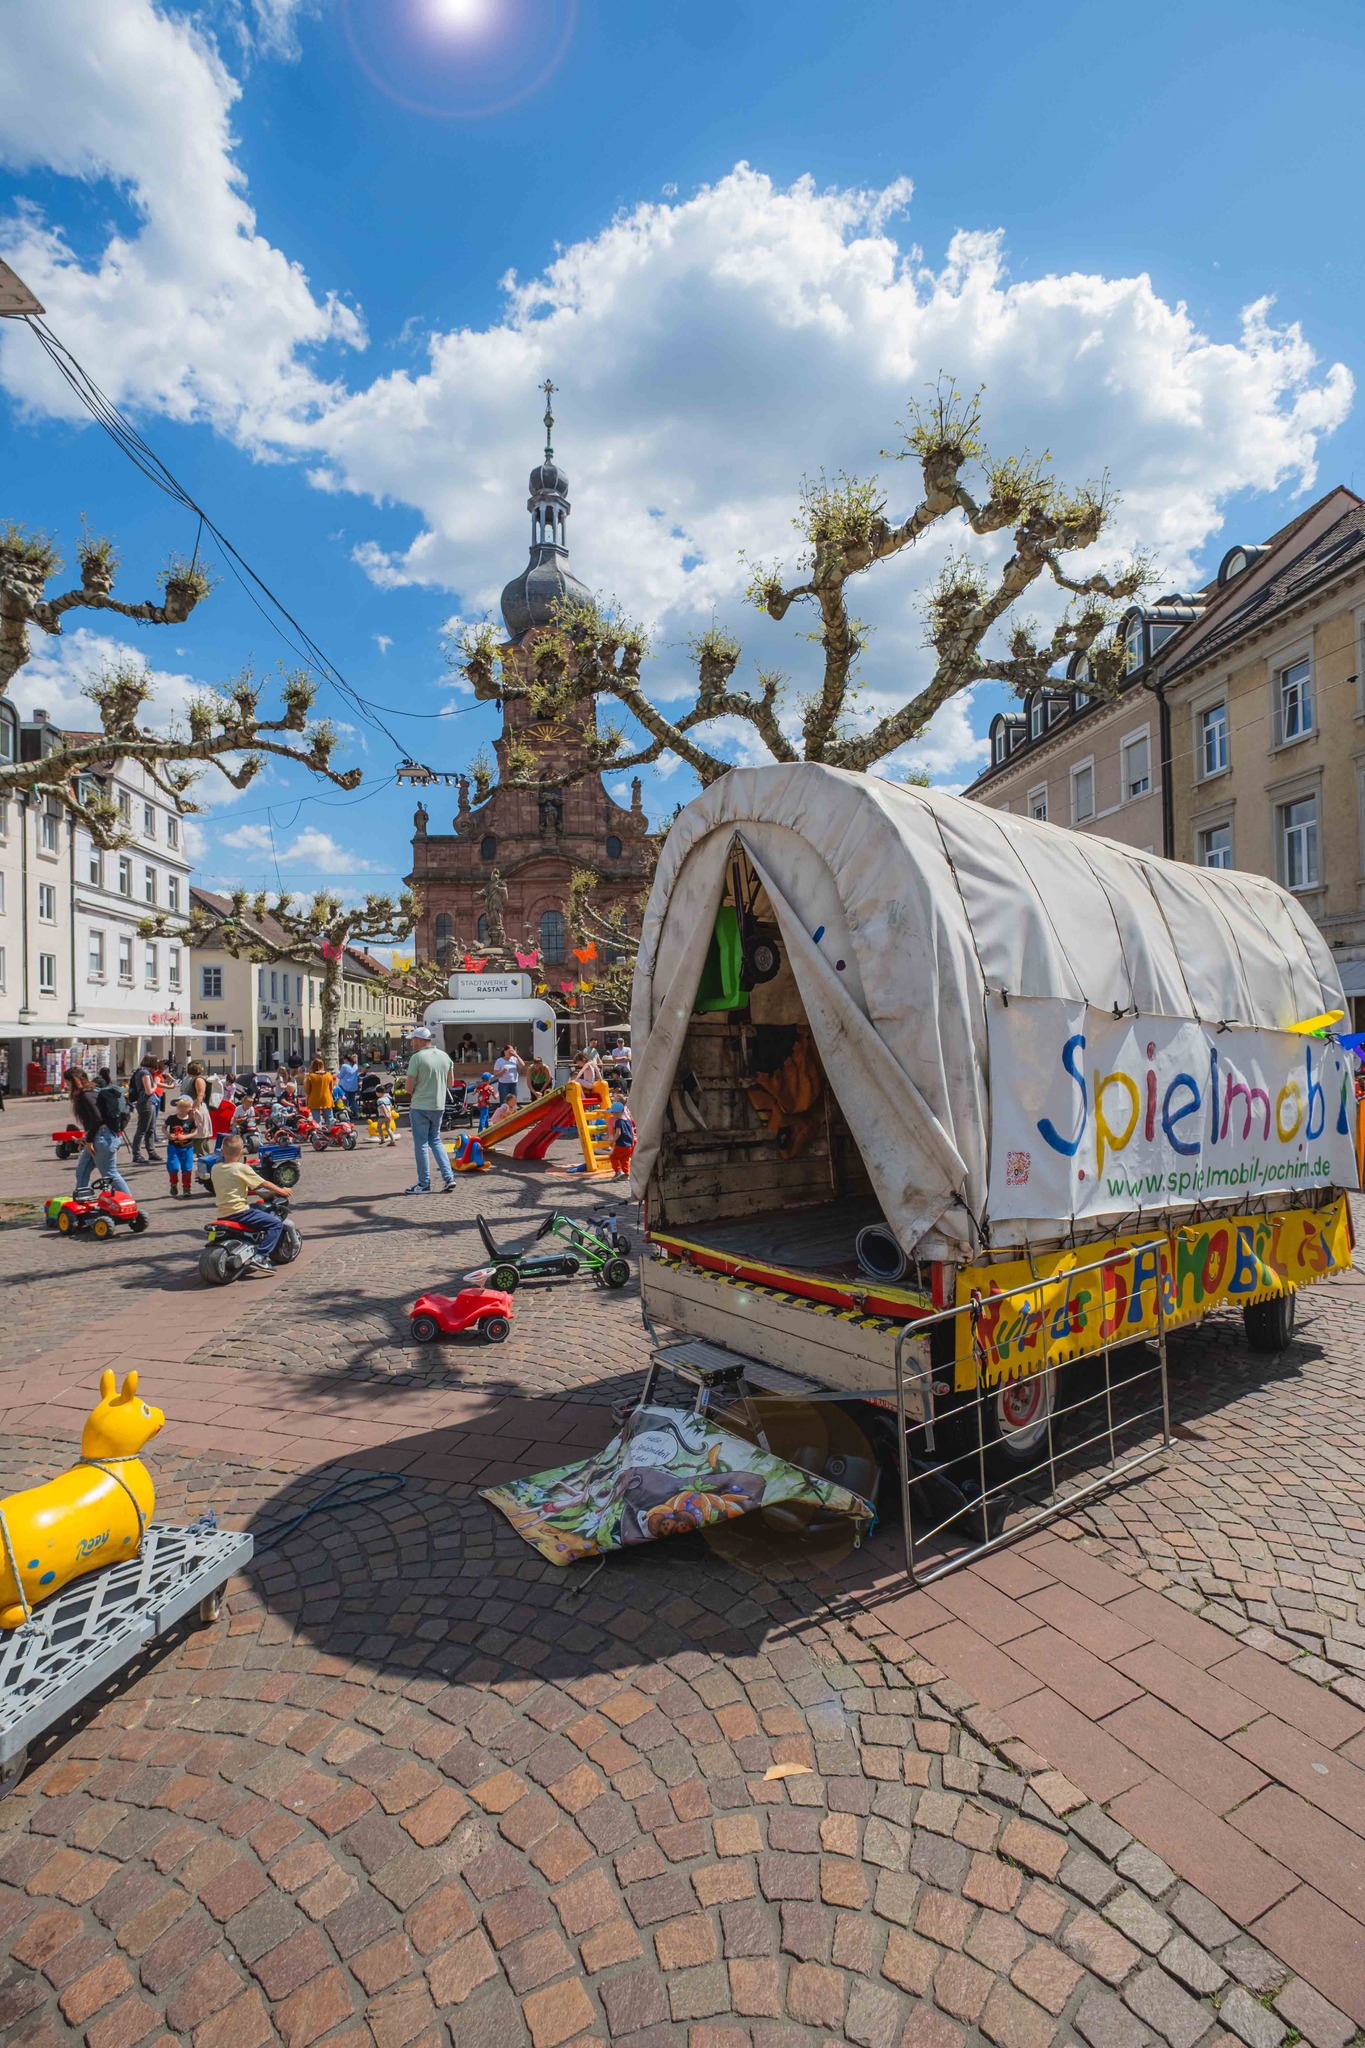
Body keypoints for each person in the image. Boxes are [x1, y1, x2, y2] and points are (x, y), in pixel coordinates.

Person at [210, 1133, 289, 1271]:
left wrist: (249, 1191)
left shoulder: (215, 1168)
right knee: (275, 1224)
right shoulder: (241, 1168)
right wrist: (282, 1191)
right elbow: (263, 1183)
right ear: (242, 1151)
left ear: (222, 1151)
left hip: (222, 1213)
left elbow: (230, 1185)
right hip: (240, 1212)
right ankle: (261, 1257)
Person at [404, 1025, 457, 1193]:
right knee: (436, 1140)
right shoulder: (445, 1057)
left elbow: (408, 1087)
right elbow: (451, 1083)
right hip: (438, 1105)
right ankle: (449, 1177)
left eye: (413, 1040)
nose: (411, 1043)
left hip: (420, 1105)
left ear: (419, 1040)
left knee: (421, 1144)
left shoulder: (417, 1058)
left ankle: (424, 1183)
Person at [66, 1065, 132, 1196]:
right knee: (82, 1171)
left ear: (74, 1081)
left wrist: (89, 1140)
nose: (66, 1085)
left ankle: (128, 1204)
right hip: (99, 1136)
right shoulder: (92, 1091)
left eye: (67, 1082)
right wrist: (87, 1138)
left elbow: (97, 1119)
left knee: (110, 1173)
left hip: (102, 1138)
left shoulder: (86, 1094)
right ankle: (83, 1202)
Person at [129, 1054, 161, 1163]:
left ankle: (151, 1152)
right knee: (143, 1129)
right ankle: (137, 1154)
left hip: (146, 1102)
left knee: (150, 1128)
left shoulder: (139, 1071)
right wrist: (156, 1085)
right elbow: (149, 1091)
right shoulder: (145, 1073)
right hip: (146, 1102)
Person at [164, 1096, 198, 1198]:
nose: (183, 1110)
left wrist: (186, 1136)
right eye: (181, 1107)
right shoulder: (172, 1118)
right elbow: (163, 1127)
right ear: (177, 1108)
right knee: (173, 1166)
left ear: (189, 1108)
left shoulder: (191, 1120)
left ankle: (186, 1188)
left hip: (187, 1147)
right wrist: (167, 1134)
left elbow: (195, 1131)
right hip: (173, 1146)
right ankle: (173, 1183)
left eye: (185, 1107)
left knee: (187, 1168)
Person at [305, 1055, 336, 1130]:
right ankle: (332, 1133)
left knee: (316, 1120)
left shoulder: (310, 1076)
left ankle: (319, 1135)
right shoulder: (328, 1075)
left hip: (314, 1100)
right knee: (329, 1118)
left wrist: (307, 1100)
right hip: (326, 1099)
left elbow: (307, 1091)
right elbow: (331, 1088)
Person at [608, 1098, 636, 1180]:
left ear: (616, 1113)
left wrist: (612, 1141)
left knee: (613, 1157)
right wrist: (632, 1142)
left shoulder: (618, 1122)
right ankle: (627, 1174)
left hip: (621, 1144)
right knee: (625, 1159)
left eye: (613, 1113)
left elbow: (618, 1133)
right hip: (629, 1145)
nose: (613, 1115)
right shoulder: (628, 1120)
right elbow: (631, 1131)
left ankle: (618, 1171)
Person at [336, 1053, 360, 1121]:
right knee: (352, 1100)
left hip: (345, 1086)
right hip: (353, 1086)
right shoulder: (355, 1065)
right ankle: (357, 1113)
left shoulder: (344, 1066)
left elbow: (340, 1076)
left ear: (345, 1059)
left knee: (345, 1101)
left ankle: (347, 1114)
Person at [374, 1079, 398, 1146]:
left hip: (382, 1116)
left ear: (379, 1093)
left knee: (379, 1127)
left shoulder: (379, 1100)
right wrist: (389, 1115)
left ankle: (382, 1138)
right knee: (388, 1128)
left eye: (376, 1092)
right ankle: (393, 1140)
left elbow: (383, 1108)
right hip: (389, 1115)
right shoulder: (387, 1099)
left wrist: (385, 1115)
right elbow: (390, 1107)